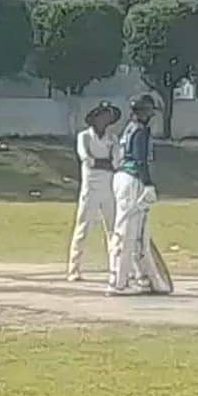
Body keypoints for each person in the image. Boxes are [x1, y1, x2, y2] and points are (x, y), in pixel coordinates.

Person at [108, 94, 162, 295]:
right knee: (128, 234)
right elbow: (141, 161)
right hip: (132, 179)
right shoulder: (140, 131)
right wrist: (147, 184)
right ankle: (119, 282)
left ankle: (142, 278)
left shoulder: (128, 129)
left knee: (135, 234)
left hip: (121, 177)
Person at [67, 101, 122, 282]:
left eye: (108, 116)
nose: (105, 119)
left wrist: (103, 163)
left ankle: (116, 268)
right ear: (95, 118)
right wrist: (103, 162)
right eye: (102, 115)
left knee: (113, 229)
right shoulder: (84, 136)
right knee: (83, 227)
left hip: (108, 187)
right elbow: (87, 160)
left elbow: (115, 163)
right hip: (90, 188)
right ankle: (74, 268)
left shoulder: (113, 139)